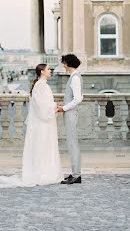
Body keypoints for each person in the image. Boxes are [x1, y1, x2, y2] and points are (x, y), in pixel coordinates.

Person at [0, 63, 62, 188]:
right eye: (49, 69)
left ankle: (43, 171)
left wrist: (53, 105)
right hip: (43, 124)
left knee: (42, 146)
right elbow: (42, 107)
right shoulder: (41, 86)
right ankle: (43, 173)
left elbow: (42, 105)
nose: (51, 71)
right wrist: (56, 107)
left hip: (43, 123)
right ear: (42, 72)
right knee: (43, 146)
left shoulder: (41, 85)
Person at [57, 53, 83, 185]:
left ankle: (76, 175)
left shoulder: (75, 78)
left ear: (67, 63)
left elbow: (78, 98)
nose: (63, 65)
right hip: (70, 113)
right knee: (72, 143)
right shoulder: (73, 77)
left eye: (64, 63)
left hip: (71, 114)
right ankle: (74, 173)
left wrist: (64, 108)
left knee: (73, 144)